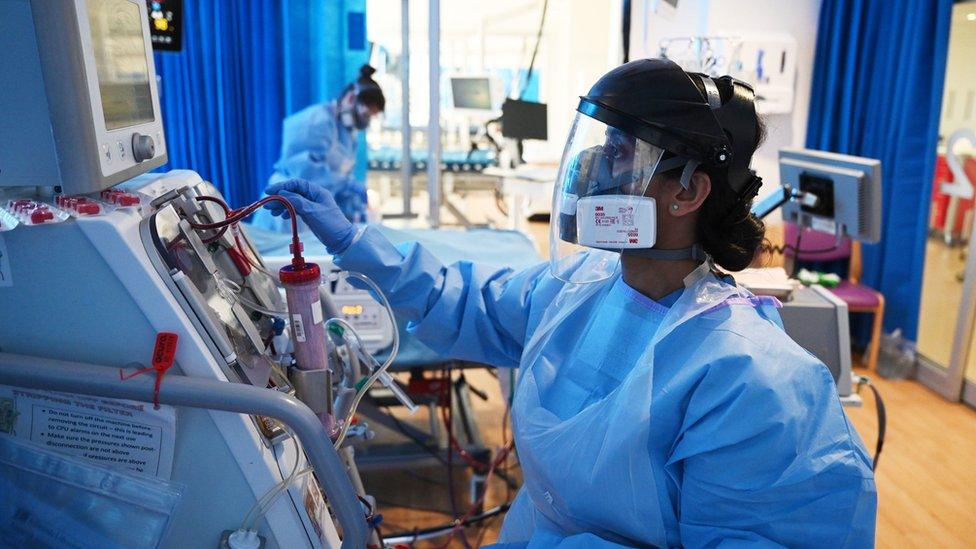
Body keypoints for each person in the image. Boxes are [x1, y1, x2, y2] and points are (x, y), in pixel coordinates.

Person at [265, 59, 877, 547]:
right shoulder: (576, 287)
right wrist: (354, 241)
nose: (592, 170)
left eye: (620, 154)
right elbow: (469, 302)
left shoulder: (749, 379)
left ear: (688, 190)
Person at [252, 64, 385, 230]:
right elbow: (308, 174)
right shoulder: (315, 122)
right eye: (366, 115)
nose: (366, 121)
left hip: (310, 208)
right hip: (288, 206)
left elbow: (338, 176)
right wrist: (347, 185)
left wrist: (353, 206)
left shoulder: (347, 133)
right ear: (351, 98)